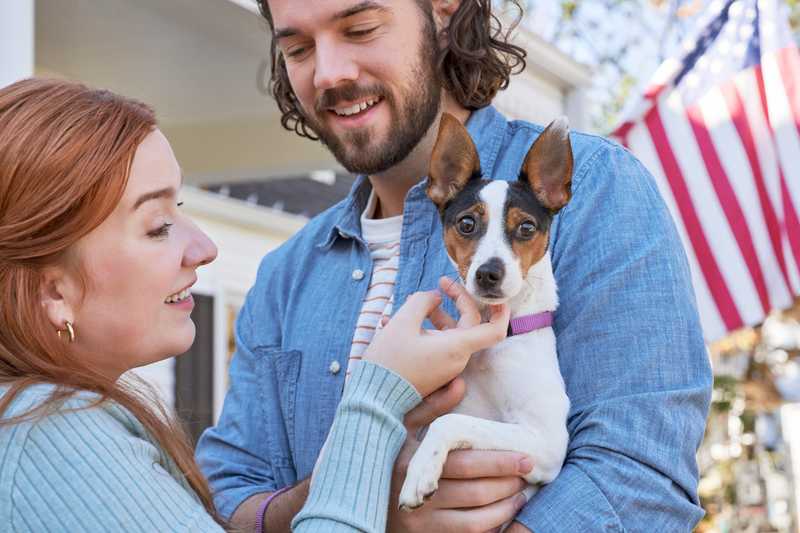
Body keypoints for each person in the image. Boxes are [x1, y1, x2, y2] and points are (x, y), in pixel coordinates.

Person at [196, 0, 713, 532]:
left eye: (360, 27)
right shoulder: (285, 275)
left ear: (443, 11)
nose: (328, 73)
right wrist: (365, 492)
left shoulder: (601, 191)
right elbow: (226, 502)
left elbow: (641, 475)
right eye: (298, 48)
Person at [0, 77, 509, 532]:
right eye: (157, 226)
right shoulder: (49, 438)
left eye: (180, 209)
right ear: (54, 293)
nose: (203, 248)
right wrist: (375, 404)